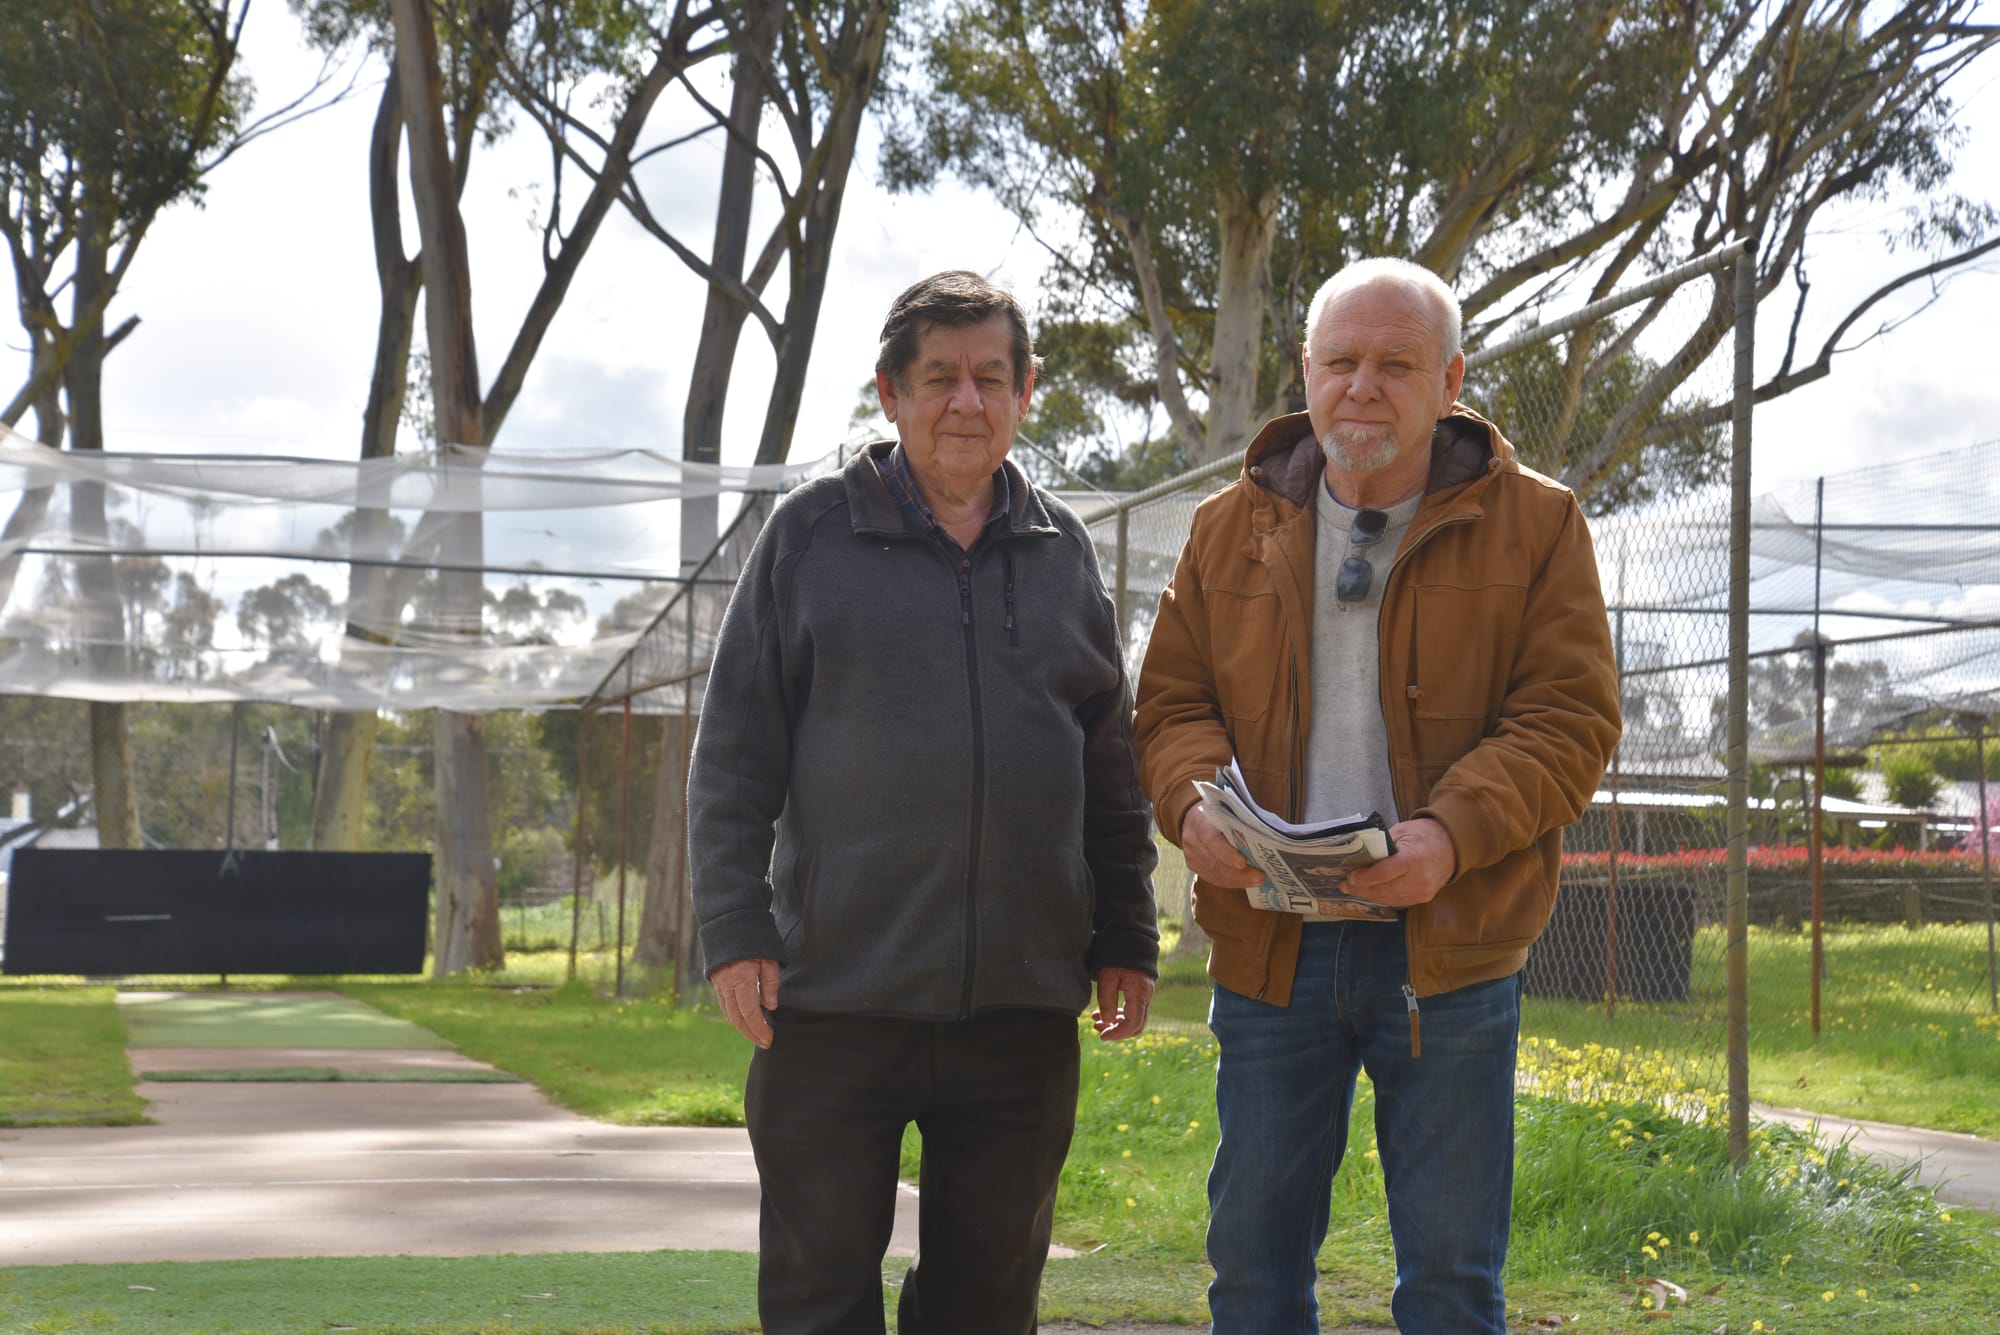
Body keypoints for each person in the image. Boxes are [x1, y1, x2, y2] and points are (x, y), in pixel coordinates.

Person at [1132, 257, 1621, 1334]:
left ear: (1448, 380)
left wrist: (1446, 836)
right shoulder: (1227, 528)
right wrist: (1191, 807)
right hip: (1270, 948)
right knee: (1252, 1274)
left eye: (1394, 364)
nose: (1362, 385)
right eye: (1339, 361)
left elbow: (1566, 722)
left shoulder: (1538, 526)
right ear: (1303, 375)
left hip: (1444, 949)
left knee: (1449, 1281)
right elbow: (1170, 705)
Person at [689, 269, 1161, 1335]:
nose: (966, 402)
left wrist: (1125, 933)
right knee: (818, 1301)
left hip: (1019, 1015)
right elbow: (733, 753)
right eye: (939, 378)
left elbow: (1107, 764)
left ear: (1024, 392)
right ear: (890, 394)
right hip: (831, 1003)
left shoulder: (1060, 553)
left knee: (987, 1307)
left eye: (989, 378)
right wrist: (733, 930)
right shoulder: (809, 538)